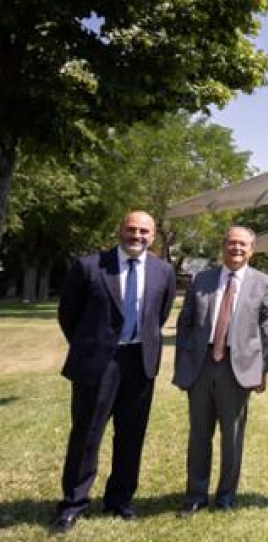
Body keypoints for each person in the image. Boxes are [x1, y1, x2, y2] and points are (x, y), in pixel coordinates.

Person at [52, 211, 176, 534]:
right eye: (131, 229)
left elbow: (158, 316)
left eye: (144, 231)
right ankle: (73, 504)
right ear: (120, 229)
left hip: (140, 361)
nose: (137, 235)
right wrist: (93, 346)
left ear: (153, 234)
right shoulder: (89, 266)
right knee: (87, 434)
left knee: (131, 435)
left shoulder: (163, 271)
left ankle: (119, 499)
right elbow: (69, 314)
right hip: (98, 364)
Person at [174, 226, 268, 516]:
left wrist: (262, 371)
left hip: (238, 367)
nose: (237, 249)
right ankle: (195, 495)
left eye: (243, 245)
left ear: (252, 249)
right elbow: (186, 323)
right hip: (202, 365)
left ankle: (226, 496)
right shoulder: (202, 279)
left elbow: (267, 333)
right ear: (223, 246)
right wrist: (184, 362)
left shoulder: (264, 283)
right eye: (231, 243)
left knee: (232, 436)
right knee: (198, 433)